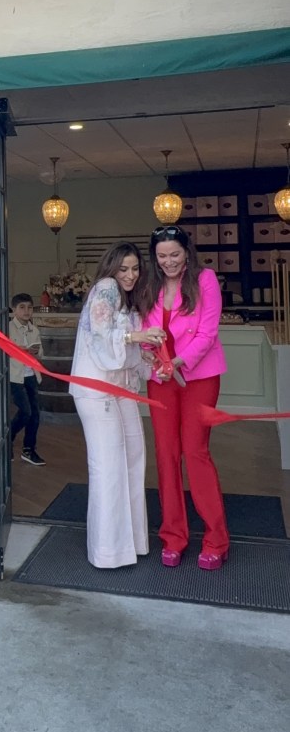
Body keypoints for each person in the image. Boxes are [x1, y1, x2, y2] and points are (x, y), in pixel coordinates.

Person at [70, 243, 165, 568]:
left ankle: (133, 543)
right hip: (96, 390)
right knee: (108, 468)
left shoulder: (130, 299)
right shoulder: (105, 288)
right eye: (123, 268)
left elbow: (129, 354)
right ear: (111, 268)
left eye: (135, 268)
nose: (130, 275)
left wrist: (154, 362)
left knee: (134, 459)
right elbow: (101, 337)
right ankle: (107, 552)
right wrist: (135, 338)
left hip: (121, 388)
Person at [142, 225, 230, 571]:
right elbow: (146, 331)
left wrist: (177, 361)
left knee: (195, 452)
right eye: (162, 256)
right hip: (161, 378)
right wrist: (151, 355)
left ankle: (216, 539)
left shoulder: (204, 279)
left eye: (174, 254)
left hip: (198, 375)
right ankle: (173, 536)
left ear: (187, 252)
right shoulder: (150, 284)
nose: (169, 262)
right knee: (166, 454)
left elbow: (208, 332)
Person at [9, 293, 46, 466]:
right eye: (22, 307)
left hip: (31, 375)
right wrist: (19, 350)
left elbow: (41, 353)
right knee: (25, 412)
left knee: (35, 416)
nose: (27, 311)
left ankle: (28, 450)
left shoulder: (34, 330)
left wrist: (35, 351)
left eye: (30, 307)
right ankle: (9, 436)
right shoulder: (8, 328)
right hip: (16, 377)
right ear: (14, 310)